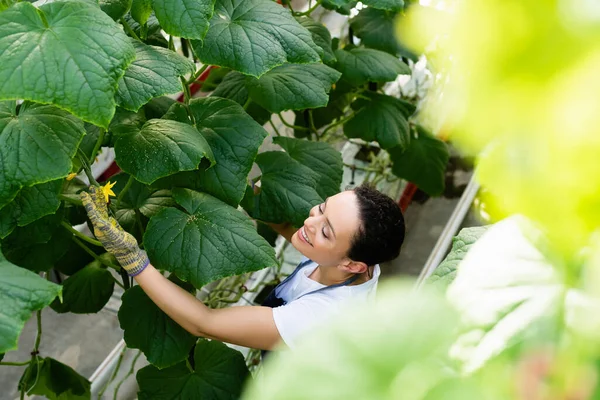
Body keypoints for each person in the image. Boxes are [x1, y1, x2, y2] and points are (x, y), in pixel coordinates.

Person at [80, 183, 405, 351]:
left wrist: (132, 258)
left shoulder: (319, 318)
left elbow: (204, 322)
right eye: (321, 208)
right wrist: (252, 203)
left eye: (325, 230)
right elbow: (304, 234)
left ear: (352, 263)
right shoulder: (354, 265)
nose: (310, 221)